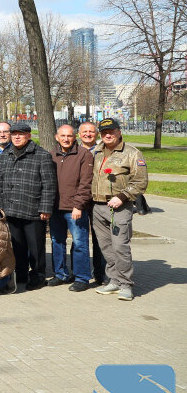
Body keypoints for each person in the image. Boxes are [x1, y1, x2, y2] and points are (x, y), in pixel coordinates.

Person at [0, 121, 57, 290]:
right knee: (17, 246)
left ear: (28, 136)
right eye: (13, 134)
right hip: (11, 210)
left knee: (35, 246)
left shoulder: (42, 155)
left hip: (33, 209)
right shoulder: (6, 155)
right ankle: (21, 273)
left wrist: (45, 208)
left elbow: (49, 184)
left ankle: (38, 275)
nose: (16, 137)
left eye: (20, 134)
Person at [92, 118, 148, 301]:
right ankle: (114, 280)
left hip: (120, 207)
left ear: (119, 131)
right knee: (106, 247)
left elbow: (140, 182)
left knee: (120, 247)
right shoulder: (97, 152)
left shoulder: (132, 153)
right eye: (104, 132)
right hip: (98, 207)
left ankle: (126, 285)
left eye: (111, 131)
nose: (107, 135)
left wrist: (122, 197)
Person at [48, 124, 94, 291]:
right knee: (57, 241)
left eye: (69, 136)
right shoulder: (51, 155)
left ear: (75, 137)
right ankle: (60, 274)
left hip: (75, 209)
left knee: (80, 242)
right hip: (55, 208)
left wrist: (79, 206)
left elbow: (85, 183)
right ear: (57, 137)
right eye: (63, 136)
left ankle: (82, 277)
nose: (66, 139)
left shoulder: (84, 154)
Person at [78, 120, 108, 284]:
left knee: (100, 239)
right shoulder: (74, 150)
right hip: (79, 201)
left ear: (96, 134)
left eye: (91, 132)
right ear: (79, 134)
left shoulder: (103, 151)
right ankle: (79, 272)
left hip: (98, 200)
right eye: (84, 132)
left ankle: (100, 273)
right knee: (79, 239)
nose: (88, 134)